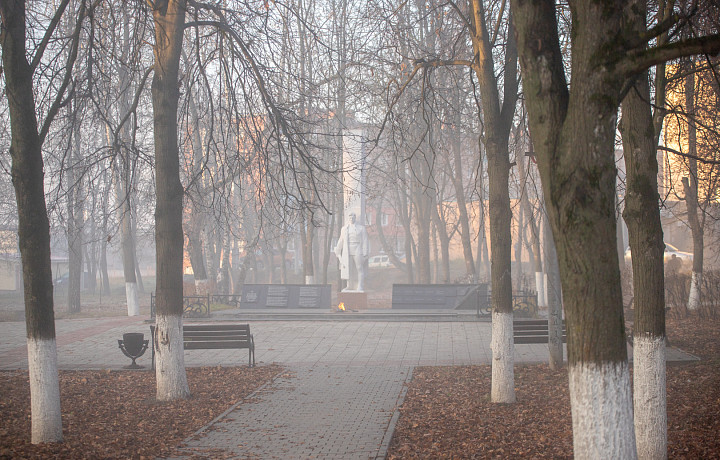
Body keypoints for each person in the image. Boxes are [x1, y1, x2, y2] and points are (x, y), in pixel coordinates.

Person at [334, 212, 369, 291]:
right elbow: (341, 240)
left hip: (358, 249)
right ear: (348, 218)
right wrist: (338, 249)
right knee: (348, 269)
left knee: (359, 268)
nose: (351, 219)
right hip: (348, 249)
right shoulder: (344, 229)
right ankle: (349, 285)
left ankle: (360, 285)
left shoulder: (361, 228)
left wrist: (365, 254)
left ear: (355, 218)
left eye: (353, 217)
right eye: (350, 217)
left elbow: (365, 241)